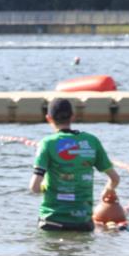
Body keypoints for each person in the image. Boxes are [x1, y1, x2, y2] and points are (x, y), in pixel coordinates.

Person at [29, 98, 120, 232]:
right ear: (72, 116)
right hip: (82, 223)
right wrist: (108, 190)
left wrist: (48, 188)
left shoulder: (47, 143)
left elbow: (34, 188)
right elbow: (115, 179)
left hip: (52, 221)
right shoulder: (91, 141)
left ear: (48, 118)